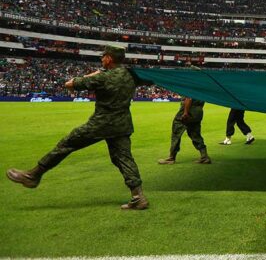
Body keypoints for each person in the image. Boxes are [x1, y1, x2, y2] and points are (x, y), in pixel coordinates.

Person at [6, 45, 149, 210]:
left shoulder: (102, 77)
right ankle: (138, 197)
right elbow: (151, 78)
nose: (101, 59)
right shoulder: (130, 75)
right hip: (122, 125)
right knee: (124, 159)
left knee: (66, 144)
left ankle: (33, 175)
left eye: (103, 57)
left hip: (101, 124)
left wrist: (94, 74)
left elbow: (70, 84)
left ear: (109, 58)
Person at [158, 96, 211, 164]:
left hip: (188, 109)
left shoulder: (191, 86)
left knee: (176, 133)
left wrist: (185, 112)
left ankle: (171, 157)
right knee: (195, 134)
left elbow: (189, 97)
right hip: (198, 111)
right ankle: (204, 156)